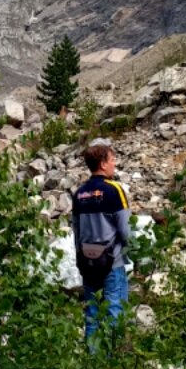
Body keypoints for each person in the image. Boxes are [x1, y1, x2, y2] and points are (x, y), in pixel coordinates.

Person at [71, 140, 132, 342]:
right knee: (115, 312)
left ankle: (93, 364)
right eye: (113, 160)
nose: (115, 164)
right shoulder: (115, 190)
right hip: (112, 263)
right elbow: (125, 229)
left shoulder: (79, 194)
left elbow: (76, 232)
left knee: (92, 315)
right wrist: (134, 255)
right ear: (103, 164)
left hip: (88, 263)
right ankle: (113, 365)